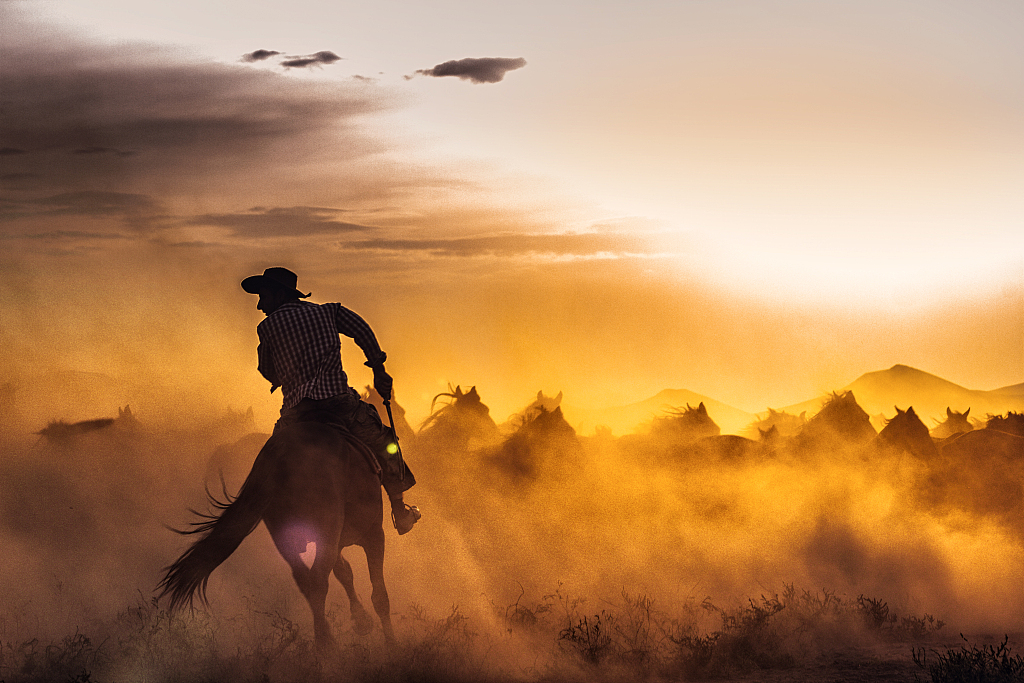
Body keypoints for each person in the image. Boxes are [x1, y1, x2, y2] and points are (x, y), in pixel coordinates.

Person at [241, 266, 421, 534]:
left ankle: (272, 519)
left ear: (279, 295)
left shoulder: (266, 327)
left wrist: (281, 374)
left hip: (296, 414)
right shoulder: (328, 311)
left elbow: (266, 370)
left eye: (263, 296)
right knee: (386, 443)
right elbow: (362, 330)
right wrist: (378, 369)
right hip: (339, 405)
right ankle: (399, 509)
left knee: (271, 465)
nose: (259, 304)